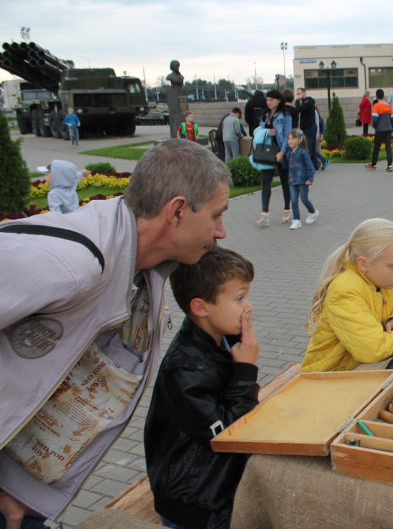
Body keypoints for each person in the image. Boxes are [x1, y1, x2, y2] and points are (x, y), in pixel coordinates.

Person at [0, 139, 231, 529]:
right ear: (176, 211)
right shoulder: (73, 265)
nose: (222, 232)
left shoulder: (146, 266)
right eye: (217, 215)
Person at [144, 247, 259, 529]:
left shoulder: (219, 338)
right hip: (195, 505)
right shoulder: (184, 371)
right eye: (240, 298)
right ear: (201, 307)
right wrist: (245, 371)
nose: (249, 306)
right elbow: (227, 436)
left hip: (215, 487)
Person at [301, 218, 393, 372]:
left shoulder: (383, 281)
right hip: (328, 380)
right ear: (364, 264)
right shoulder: (345, 291)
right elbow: (374, 350)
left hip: (358, 374)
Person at [254, 89, 291, 227]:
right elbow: (258, 131)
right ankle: (265, 213)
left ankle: (287, 209)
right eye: (267, 99)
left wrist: (283, 152)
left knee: (285, 182)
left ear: (279, 100)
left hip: (281, 151)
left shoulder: (285, 115)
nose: (269, 102)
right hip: (267, 152)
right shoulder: (264, 114)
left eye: (272, 99)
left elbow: (288, 134)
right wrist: (266, 132)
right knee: (265, 181)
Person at [284, 129, 319, 230]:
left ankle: (313, 211)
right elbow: (287, 166)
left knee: (304, 199)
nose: (290, 141)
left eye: (293, 139)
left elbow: (311, 167)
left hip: (303, 181)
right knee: (294, 201)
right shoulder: (288, 154)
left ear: (299, 140)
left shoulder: (302, 153)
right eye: (289, 139)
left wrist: (310, 179)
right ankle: (296, 220)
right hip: (292, 181)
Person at [365, 89, 393, 172]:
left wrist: (375, 126)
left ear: (376, 96)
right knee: (388, 147)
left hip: (379, 129)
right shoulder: (388, 106)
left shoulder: (376, 106)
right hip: (388, 129)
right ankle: (390, 165)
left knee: (376, 147)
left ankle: (373, 164)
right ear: (383, 96)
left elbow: (374, 119)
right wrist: (392, 126)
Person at [295, 88, 319, 170]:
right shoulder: (306, 102)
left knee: (308, 148)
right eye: (297, 94)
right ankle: (315, 166)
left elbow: (299, 109)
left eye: (300, 93)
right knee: (311, 148)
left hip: (310, 127)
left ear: (304, 93)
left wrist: (297, 102)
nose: (298, 95)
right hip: (308, 127)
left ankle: (311, 167)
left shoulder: (307, 101)